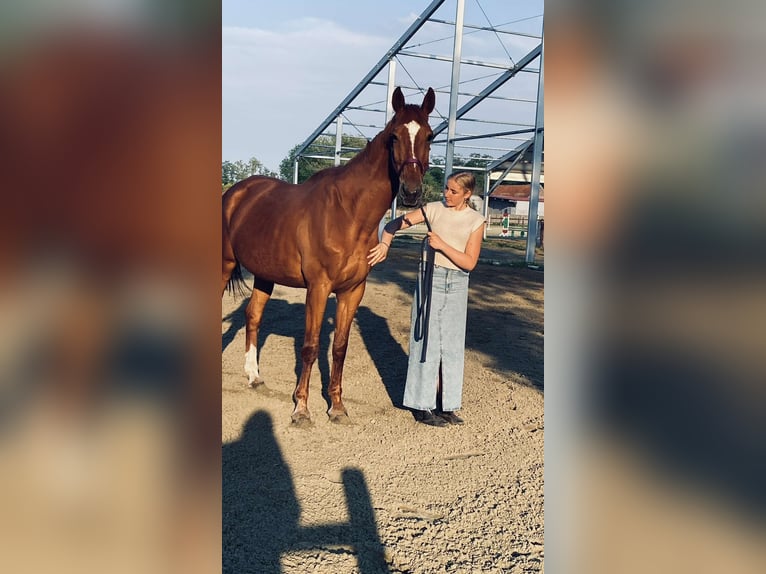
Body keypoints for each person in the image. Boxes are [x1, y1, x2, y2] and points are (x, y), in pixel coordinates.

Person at [367, 172, 486, 426]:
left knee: (452, 347)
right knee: (426, 342)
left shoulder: (476, 221)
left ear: (467, 194)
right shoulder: (432, 209)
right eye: (446, 189)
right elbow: (393, 225)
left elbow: (470, 262)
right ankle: (422, 405)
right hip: (429, 278)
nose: (447, 194)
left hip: (457, 283)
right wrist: (385, 244)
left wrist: (441, 245)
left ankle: (447, 405)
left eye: (454, 191)